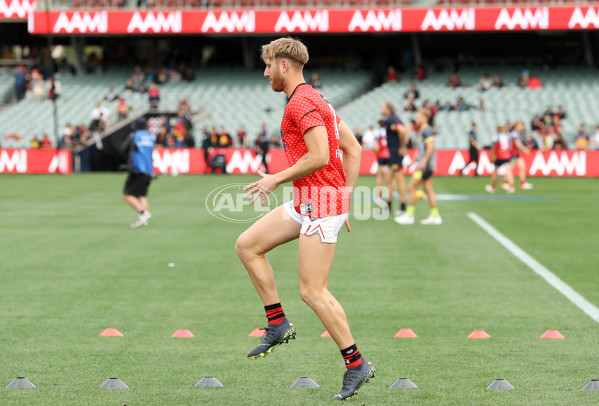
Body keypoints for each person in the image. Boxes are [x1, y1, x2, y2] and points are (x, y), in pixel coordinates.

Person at [236, 37, 373, 401]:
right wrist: (346, 197)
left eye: (268, 65)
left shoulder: (303, 102)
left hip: (320, 203)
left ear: (284, 64)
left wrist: (274, 178)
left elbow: (321, 155)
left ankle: (356, 364)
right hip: (310, 200)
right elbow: (353, 149)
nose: (265, 73)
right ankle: (278, 323)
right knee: (248, 245)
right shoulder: (316, 99)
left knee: (313, 290)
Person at [395, 109, 441, 225]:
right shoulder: (422, 131)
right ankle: (435, 216)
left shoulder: (427, 131)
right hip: (424, 164)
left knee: (411, 187)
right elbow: (422, 150)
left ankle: (409, 215)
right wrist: (414, 161)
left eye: (418, 116)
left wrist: (424, 161)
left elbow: (430, 147)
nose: (416, 118)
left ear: (424, 117)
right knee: (428, 189)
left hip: (425, 166)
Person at [122, 119, 155, 228]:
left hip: (137, 170)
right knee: (141, 195)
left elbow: (123, 148)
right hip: (149, 170)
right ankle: (143, 220)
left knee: (127, 194)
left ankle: (143, 213)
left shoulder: (134, 136)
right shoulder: (150, 137)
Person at [381, 101, 409, 215]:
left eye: (382, 107)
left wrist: (402, 146)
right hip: (394, 153)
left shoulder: (391, 119)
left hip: (395, 154)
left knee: (398, 179)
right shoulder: (395, 118)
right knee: (389, 178)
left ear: (388, 109)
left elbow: (402, 131)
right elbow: (407, 129)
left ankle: (402, 206)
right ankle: (390, 205)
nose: (381, 109)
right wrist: (404, 145)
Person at [485, 125, 515, 194]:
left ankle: (492, 187)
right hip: (507, 155)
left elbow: (493, 147)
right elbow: (510, 146)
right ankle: (511, 187)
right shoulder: (507, 137)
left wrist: (492, 156)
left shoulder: (496, 137)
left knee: (495, 171)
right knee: (509, 171)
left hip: (499, 155)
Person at [507, 121, 533, 190]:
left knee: (521, 166)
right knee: (510, 169)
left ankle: (522, 183)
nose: (521, 127)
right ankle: (509, 184)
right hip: (512, 154)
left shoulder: (515, 133)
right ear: (516, 127)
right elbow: (517, 143)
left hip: (515, 153)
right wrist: (525, 149)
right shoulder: (515, 134)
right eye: (520, 125)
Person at [373, 124, 392, 209]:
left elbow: (375, 146)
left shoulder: (378, 132)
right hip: (389, 154)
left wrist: (377, 155)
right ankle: (391, 196)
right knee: (390, 178)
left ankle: (379, 194)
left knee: (379, 176)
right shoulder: (389, 131)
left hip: (381, 155)